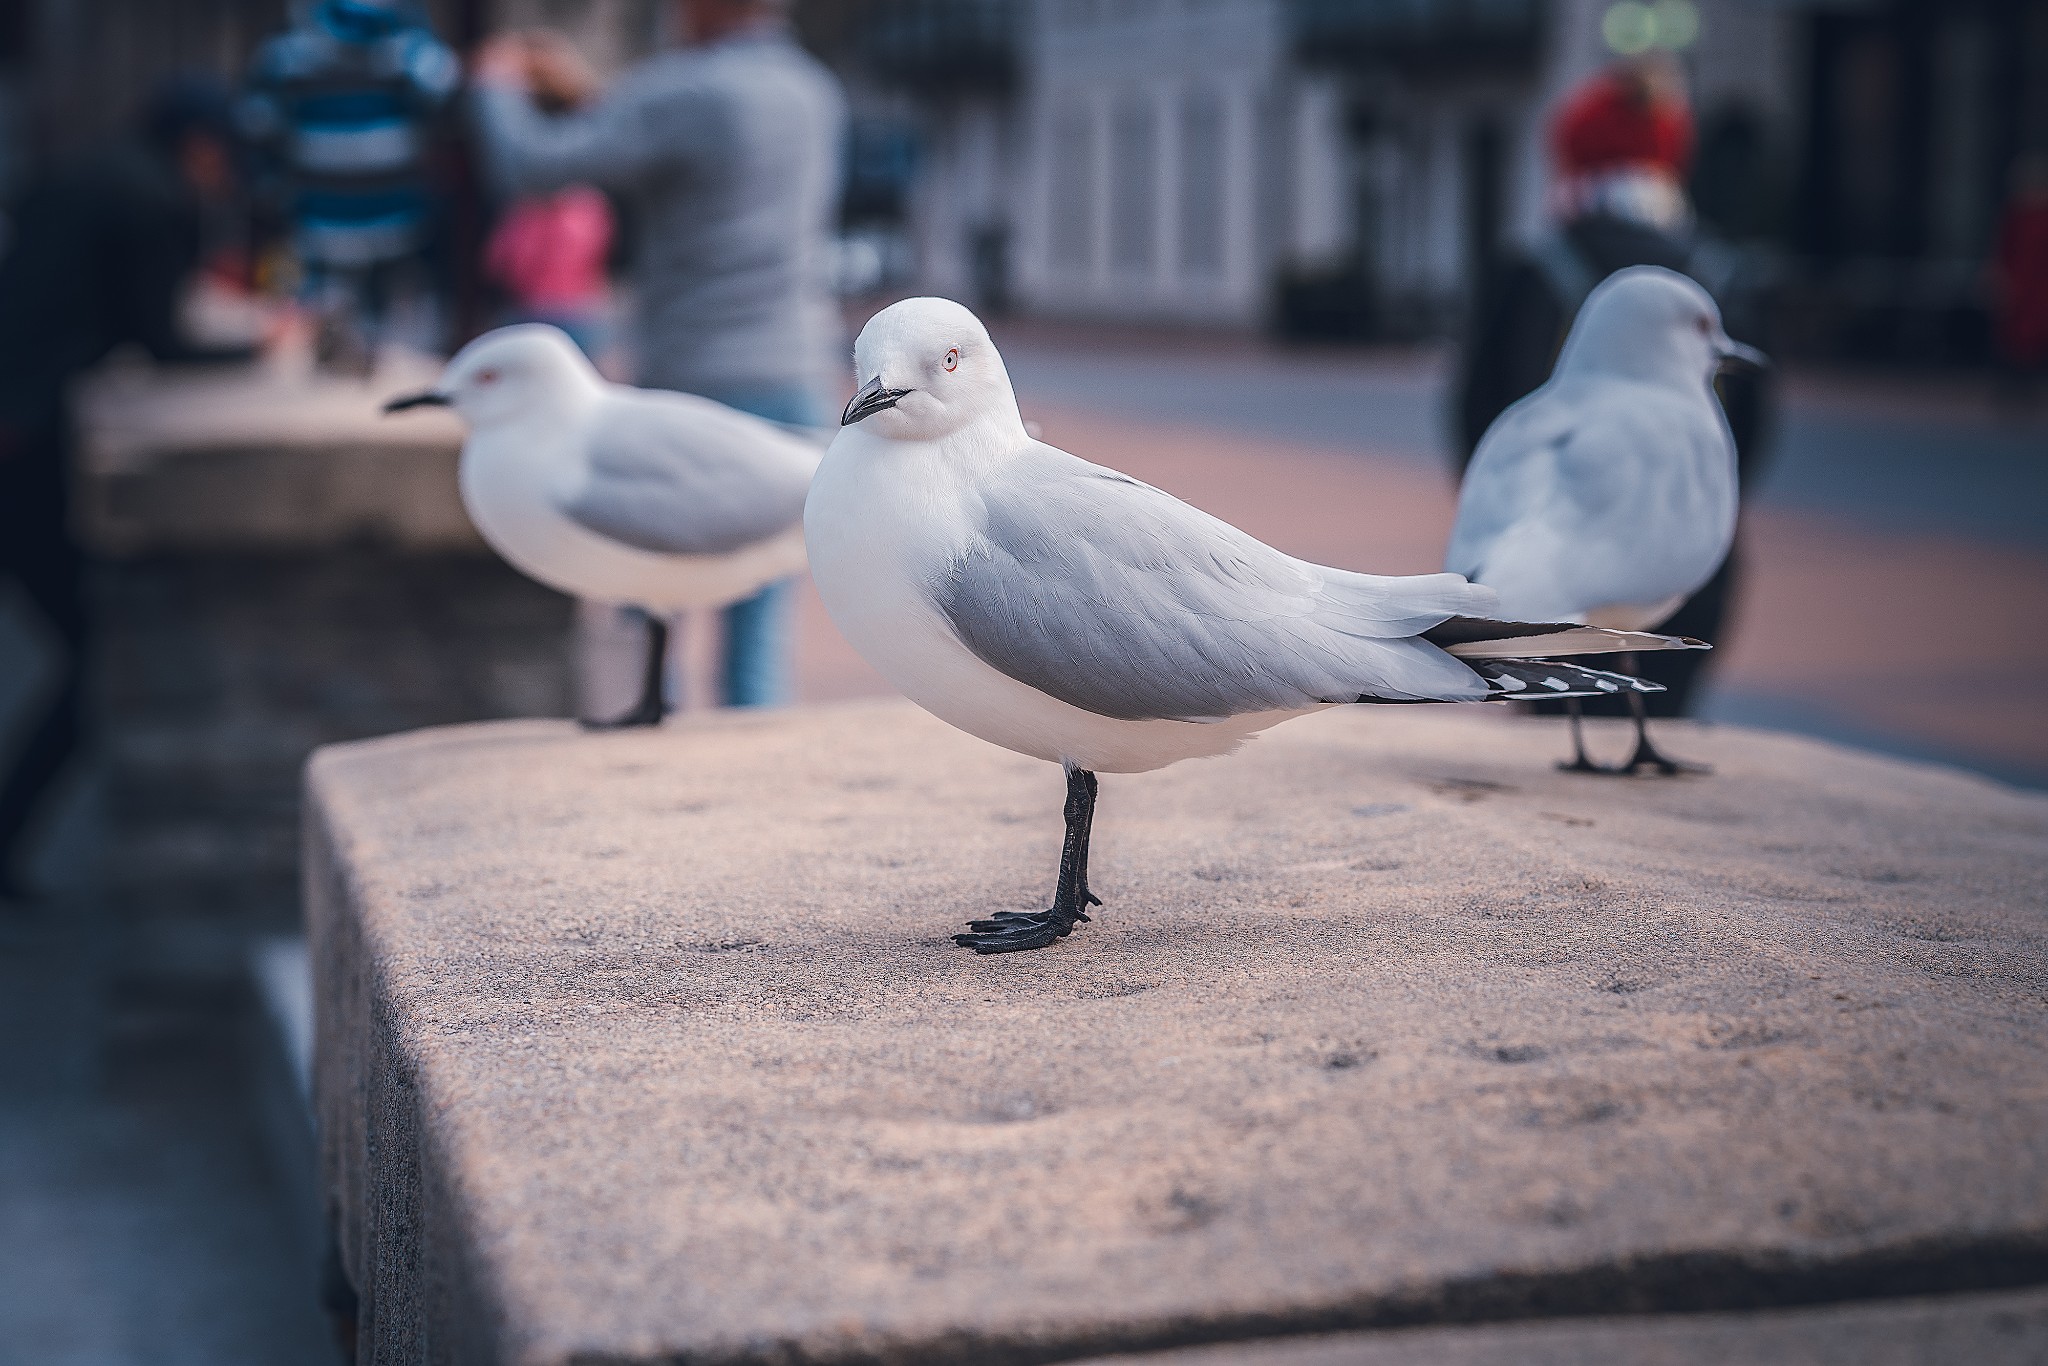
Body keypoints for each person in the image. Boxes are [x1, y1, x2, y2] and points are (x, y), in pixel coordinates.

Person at [469, 0, 846, 709]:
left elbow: (533, 165)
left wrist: (494, 85)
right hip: (795, 369)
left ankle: (657, 766)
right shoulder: (813, 91)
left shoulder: (677, 90)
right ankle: (749, 793)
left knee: (648, 600)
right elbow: (689, 145)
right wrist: (591, 92)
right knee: (759, 620)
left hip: (693, 380)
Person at [0, 78, 257, 902]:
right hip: (29, 449)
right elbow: (163, 341)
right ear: (203, 148)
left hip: (25, 431)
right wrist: (262, 343)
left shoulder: (80, 172)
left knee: (85, 649)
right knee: (99, 652)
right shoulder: (153, 199)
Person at [1453, 56, 1772, 718]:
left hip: (1535, 564)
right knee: (1655, 707)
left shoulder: (1531, 267)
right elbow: (1755, 429)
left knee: (1554, 711)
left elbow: (1474, 411)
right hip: (1680, 570)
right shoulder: (1715, 272)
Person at [243, 0, 460, 370]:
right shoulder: (408, 50)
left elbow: (259, 127)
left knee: (329, 332)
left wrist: (273, 193)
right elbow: (444, 91)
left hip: (326, 217)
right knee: (390, 345)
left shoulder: (286, 54)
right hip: (390, 219)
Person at [1992, 152, 2048, 404]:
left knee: (2034, 336)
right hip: (2019, 285)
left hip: (2039, 287)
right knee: (2013, 336)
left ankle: (2029, 387)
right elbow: (2004, 249)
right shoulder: (2016, 214)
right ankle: (2013, 388)